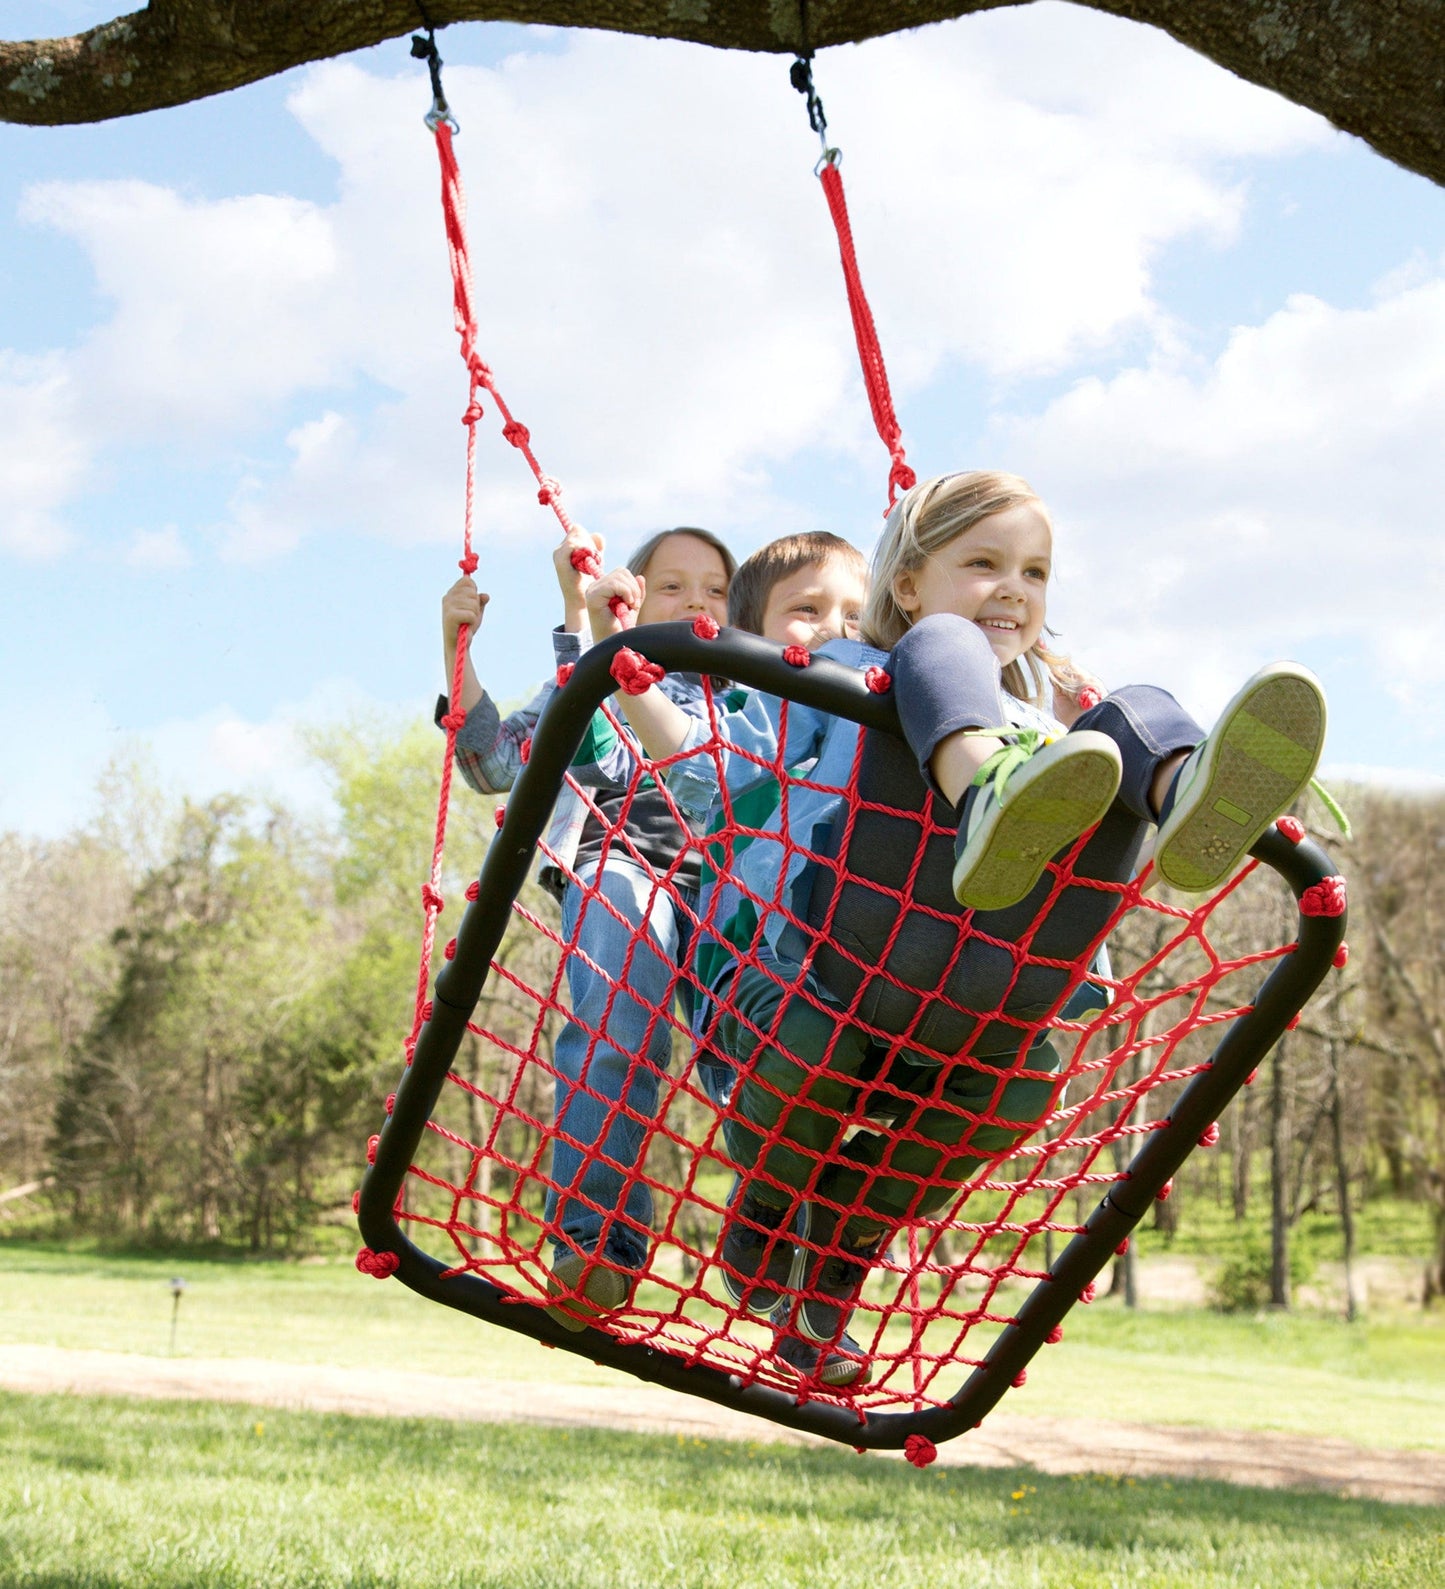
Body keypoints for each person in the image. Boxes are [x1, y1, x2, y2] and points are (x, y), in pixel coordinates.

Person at [618, 471, 1327, 1387]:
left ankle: (1182, 794)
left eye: (1034, 573)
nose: (1016, 590)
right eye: (984, 563)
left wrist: (1086, 751)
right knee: (814, 1041)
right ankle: (974, 784)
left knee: (1132, 718)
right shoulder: (835, 680)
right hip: (845, 955)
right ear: (905, 582)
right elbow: (700, 766)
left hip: (987, 981)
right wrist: (621, 650)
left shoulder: (1050, 726)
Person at [439, 523, 736, 1329]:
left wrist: (585, 625)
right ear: (633, 593)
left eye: (715, 588)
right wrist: (458, 644)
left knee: (749, 1063)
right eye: (671, 586)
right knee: (613, 1029)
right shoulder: (591, 674)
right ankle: (596, 1237)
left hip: (726, 885)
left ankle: (776, 1244)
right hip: (617, 863)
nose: (696, 601)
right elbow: (493, 765)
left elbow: (717, 784)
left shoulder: (741, 694)